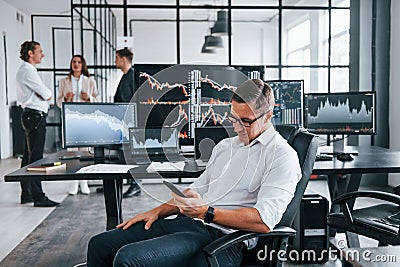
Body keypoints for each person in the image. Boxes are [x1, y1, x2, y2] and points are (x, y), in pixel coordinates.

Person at [87, 79, 302, 266]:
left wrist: (207, 213)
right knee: (100, 245)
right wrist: (158, 211)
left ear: (268, 116)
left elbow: (264, 221)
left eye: (245, 121)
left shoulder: (281, 156)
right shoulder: (226, 146)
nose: (236, 127)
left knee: (128, 259)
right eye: (233, 118)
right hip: (192, 224)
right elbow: (196, 191)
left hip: (223, 240)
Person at [16, 40, 60, 207]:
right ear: (30, 53)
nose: (43, 54)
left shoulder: (27, 70)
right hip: (34, 116)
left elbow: (44, 94)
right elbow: (47, 94)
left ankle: (27, 194)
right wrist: (46, 94)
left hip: (31, 116)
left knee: (29, 157)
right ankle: (38, 196)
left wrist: (45, 95)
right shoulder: (28, 71)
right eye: (40, 51)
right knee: (35, 159)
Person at [96, 48, 141, 198]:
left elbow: (134, 100)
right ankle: (117, 184)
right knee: (122, 155)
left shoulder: (132, 75)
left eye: (116, 58)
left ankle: (135, 186)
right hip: (123, 122)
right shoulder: (126, 76)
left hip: (130, 122)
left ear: (123, 59)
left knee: (130, 154)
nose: (115, 61)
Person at [57, 55, 100, 195]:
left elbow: (98, 99)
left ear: (83, 65)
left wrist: (89, 98)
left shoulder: (90, 81)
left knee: (85, 151)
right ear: (71, 64)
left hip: (85, 119)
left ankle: (84, 181)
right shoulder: (63, 81)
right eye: (74, 62)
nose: (76, 64)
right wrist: (65, 98)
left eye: (79, 62)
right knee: (72, 152)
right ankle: (74, 181)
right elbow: (58, 102)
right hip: (70, 120)